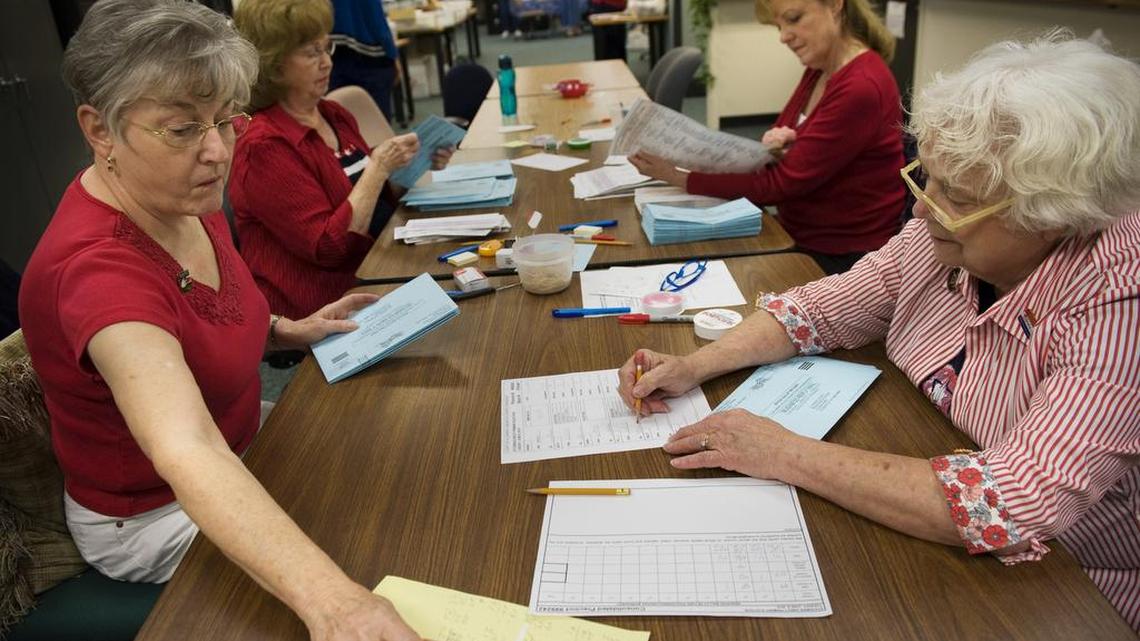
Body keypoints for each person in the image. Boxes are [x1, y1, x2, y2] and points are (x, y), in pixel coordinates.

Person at [618, 34, 1140, 629]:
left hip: (1059, 586)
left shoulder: (1117, 301)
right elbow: (822, 308)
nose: (921, 208)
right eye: (929, 177)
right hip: (919, 475)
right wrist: (695, 365)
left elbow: (1007, 502)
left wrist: (780, 451)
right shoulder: (942, 230)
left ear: (1052, 216)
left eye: (957, 195)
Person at [18, 2, 423, 639]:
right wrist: (338, 607)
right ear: (100, 130)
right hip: (154, 514)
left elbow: (210, 312)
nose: (216, 152)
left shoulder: (181, 194)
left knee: (389, 463)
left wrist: (290, 328)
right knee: (368, 551)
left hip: (241, 441)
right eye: (180, 129)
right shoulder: (97, 271)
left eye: (226, 121)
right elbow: (186, 447)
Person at [630, 0, 904, 274]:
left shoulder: (861, 85)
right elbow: (775, 150)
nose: (783, 36)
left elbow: (780, 183)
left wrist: (680, 177)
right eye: (779, 26)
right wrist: (782, 145)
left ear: (834, 5)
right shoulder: (820, 68)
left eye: (794, 19)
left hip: (841, 257)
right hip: (797, 230)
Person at [230, 0, 453, 321]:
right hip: (324, 307)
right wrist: (378, 167)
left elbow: (370, 205)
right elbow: (329, 249)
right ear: (274, 64)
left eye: (327, 48)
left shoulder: (333, 115)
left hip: (374, 270)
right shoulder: (264, 145)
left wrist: (410, 166)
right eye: (312, 52)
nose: (327, 63)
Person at [328, 0, 401, 121]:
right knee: (376, 128)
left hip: (331, 53)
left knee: (339, 127)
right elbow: (376, 19)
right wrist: (393, 54)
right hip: (371, 56)